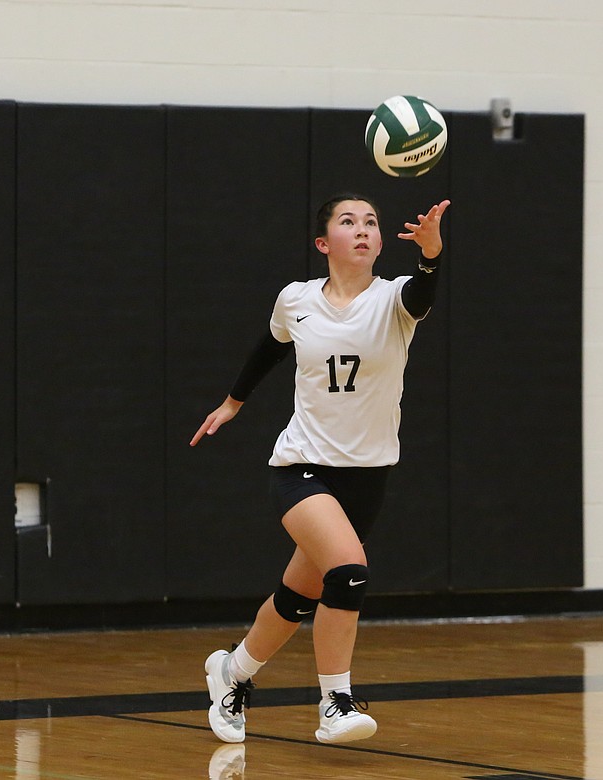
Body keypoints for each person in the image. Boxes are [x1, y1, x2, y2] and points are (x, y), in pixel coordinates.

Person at [190, 193, 451, 745]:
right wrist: (234, 402)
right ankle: (335, 702)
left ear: (381, 242)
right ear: (322, 242)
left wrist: (430, 256)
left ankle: (231, 672)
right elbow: (270, 345)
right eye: (348, 221)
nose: (363, 229)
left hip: (367, 477)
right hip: (301, 468)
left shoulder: (395, 299)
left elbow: (424, 291)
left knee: (296, 599)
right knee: (349, 572)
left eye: (372, 223)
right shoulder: (297, 300)